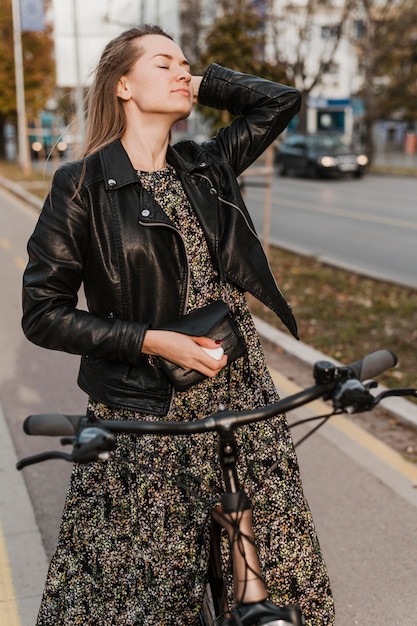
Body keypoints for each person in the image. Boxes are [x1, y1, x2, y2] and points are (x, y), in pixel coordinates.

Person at [22, 24, 335, 626]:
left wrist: (208, 80)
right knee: (142, 586)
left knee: (264, 542)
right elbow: (43, 313)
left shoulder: (207, 164)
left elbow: (280, 100)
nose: (181, 73)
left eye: (186, 64)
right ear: (123, 86)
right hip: (143, 403)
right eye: (163, 63)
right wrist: (148, 340)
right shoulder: (81, 185)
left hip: (233, 380)